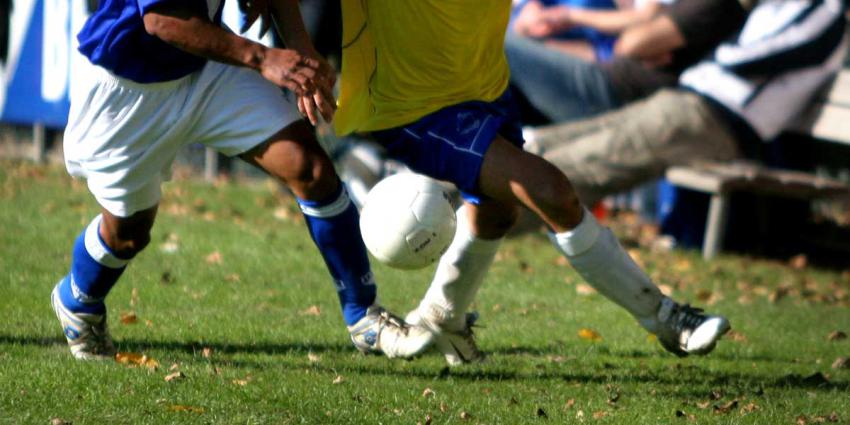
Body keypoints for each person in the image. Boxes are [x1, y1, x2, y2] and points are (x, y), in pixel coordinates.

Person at [334, 0, 730, 365]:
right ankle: (665, 319)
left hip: (483, 85)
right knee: (550, 191)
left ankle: (443, 314)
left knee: (495, 212)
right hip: (413, 103)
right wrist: (286, 52)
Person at [51, 0, 434, 361]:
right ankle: (77, 302)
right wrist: (264, 57)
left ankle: (363, 316)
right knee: (128, 233)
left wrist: (303, 52)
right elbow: (162, 20)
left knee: (310, 169)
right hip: (126, 93)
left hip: (206, 73)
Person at [522, 0, 848, 208]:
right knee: (558, 140)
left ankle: (495, 206)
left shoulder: (827, 10)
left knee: (584, 161)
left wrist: (701, 54)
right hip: (688, 101)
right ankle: (488, 186)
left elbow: (755, 57)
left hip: (716, 119)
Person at [506, 0, 752, 123]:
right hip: (599, 75)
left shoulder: (712, 6)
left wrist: (569, 16)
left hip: (610, 88)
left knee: (499, 44)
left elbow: (631, 41)